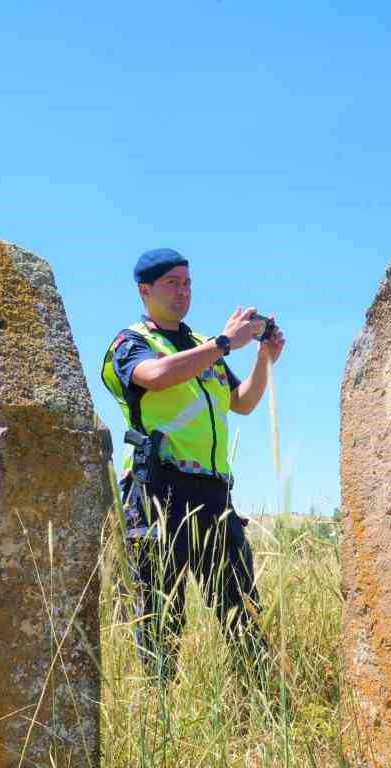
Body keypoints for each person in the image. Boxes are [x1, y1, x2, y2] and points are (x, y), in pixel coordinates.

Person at [99, 247, 287, 683]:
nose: (183, 291)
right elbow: (156, 376)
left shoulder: (204, 347)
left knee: (242, 609)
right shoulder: (130, 343)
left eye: (187, 282)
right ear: (145, 291)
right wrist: (224, 343)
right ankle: (159, 709)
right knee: (162, 615)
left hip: (214, 494)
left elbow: (241, 404)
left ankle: (257, 709)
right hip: (160, 492)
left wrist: (262, 359)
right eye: (172, 283)